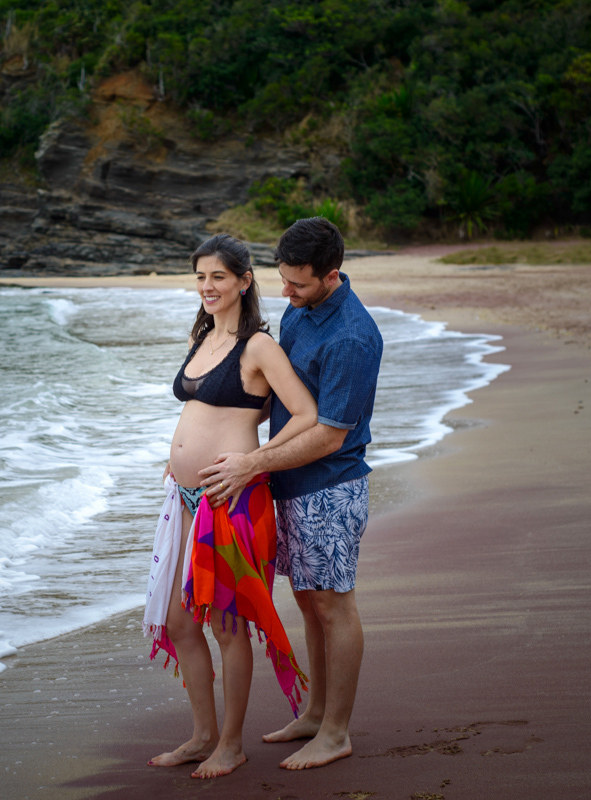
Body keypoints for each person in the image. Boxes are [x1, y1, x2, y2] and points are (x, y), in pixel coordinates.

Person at [197, 217, 383, 771]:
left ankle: (336, 731)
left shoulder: (353, 335)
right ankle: (314, 712)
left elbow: (329, 433)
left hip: (330, 488)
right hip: (288, 485)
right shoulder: (300, 312)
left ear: (332, 275)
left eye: (298, 284)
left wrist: (252, 463)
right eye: (282, 280)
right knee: (307, 601)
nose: (286, 293)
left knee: (332, 603)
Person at [142, 233, 318, 779]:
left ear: (244, 280)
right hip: (188, 498)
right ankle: (201, 735)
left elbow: (307, 414)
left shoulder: (259, 345)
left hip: (232, 501)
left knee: (226, 626)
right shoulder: (202, 337)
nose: (207, 286)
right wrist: (179, 460)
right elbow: (200, 415)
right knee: (178, 623)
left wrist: (253, 461)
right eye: (199, 277)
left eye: (218, 276)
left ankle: (231, 744)